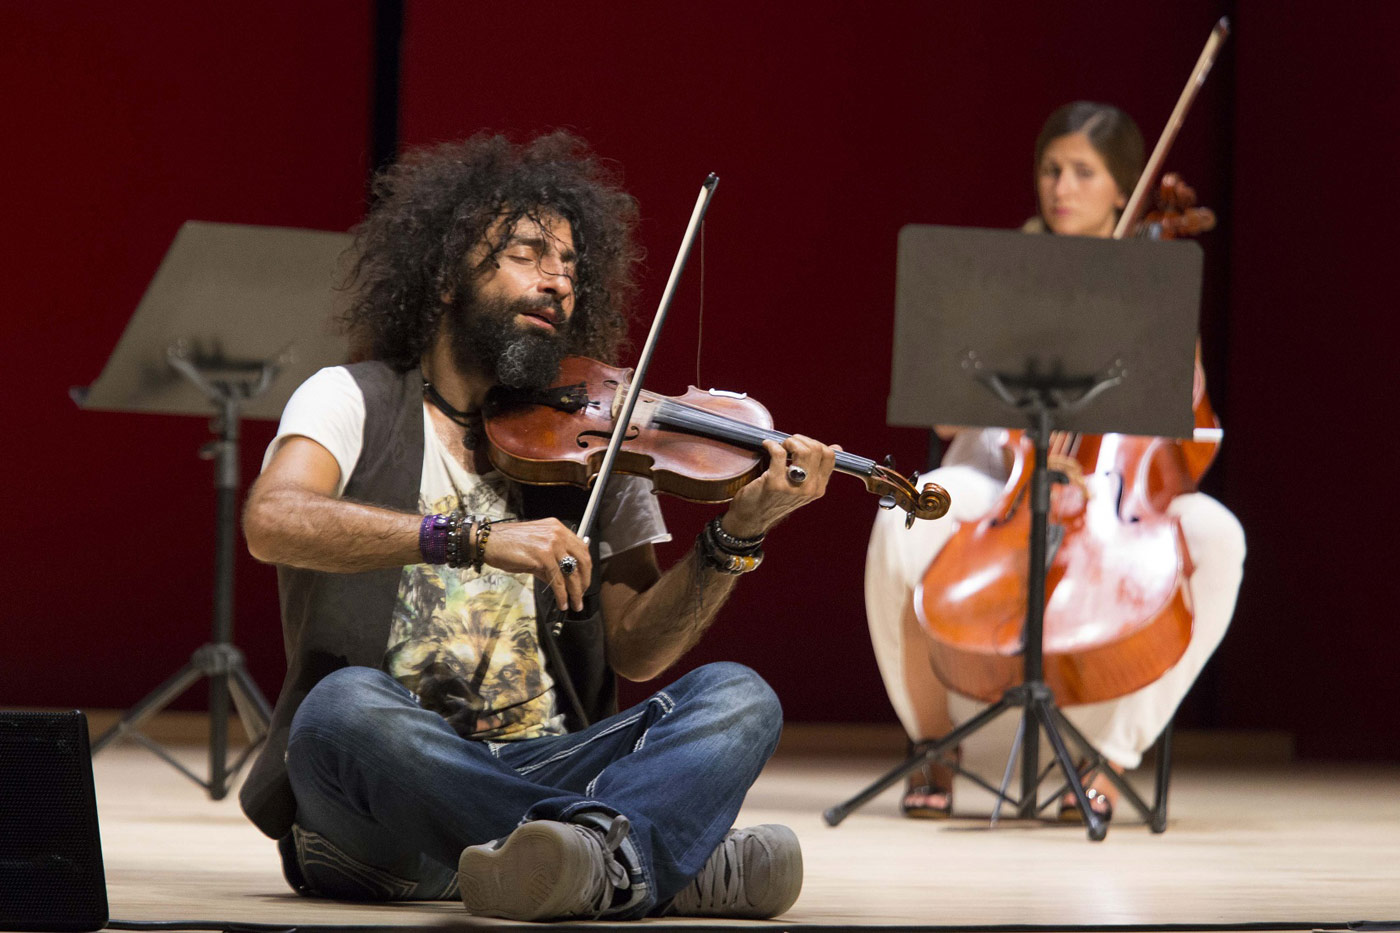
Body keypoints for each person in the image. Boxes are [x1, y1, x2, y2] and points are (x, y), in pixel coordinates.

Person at [237, 131, 838, 921]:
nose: (558, 279)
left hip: (553, 756)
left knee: (740, 696)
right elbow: (272, 520)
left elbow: (639, 648)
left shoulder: (599, 440)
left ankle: (574, 857)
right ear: (447, 277)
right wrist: (471, 539)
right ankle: (646, 852)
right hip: (384, 802)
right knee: (340, 709)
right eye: (527, 253)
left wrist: (737, 537)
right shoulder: (351, 397)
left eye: (570, 265)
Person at [864, 101, 1246, 822]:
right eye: (1050, 169)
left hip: (1113, 495)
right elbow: (949, 414)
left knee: (1219, 535)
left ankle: (1110, 757)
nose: (1060, 186)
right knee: (905, 520)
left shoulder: (1154, 281)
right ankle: (933, 741)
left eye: (1082, 172)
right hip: (996, 478)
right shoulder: (1007, 274)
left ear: (1120, 187)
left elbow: (1187, 444)